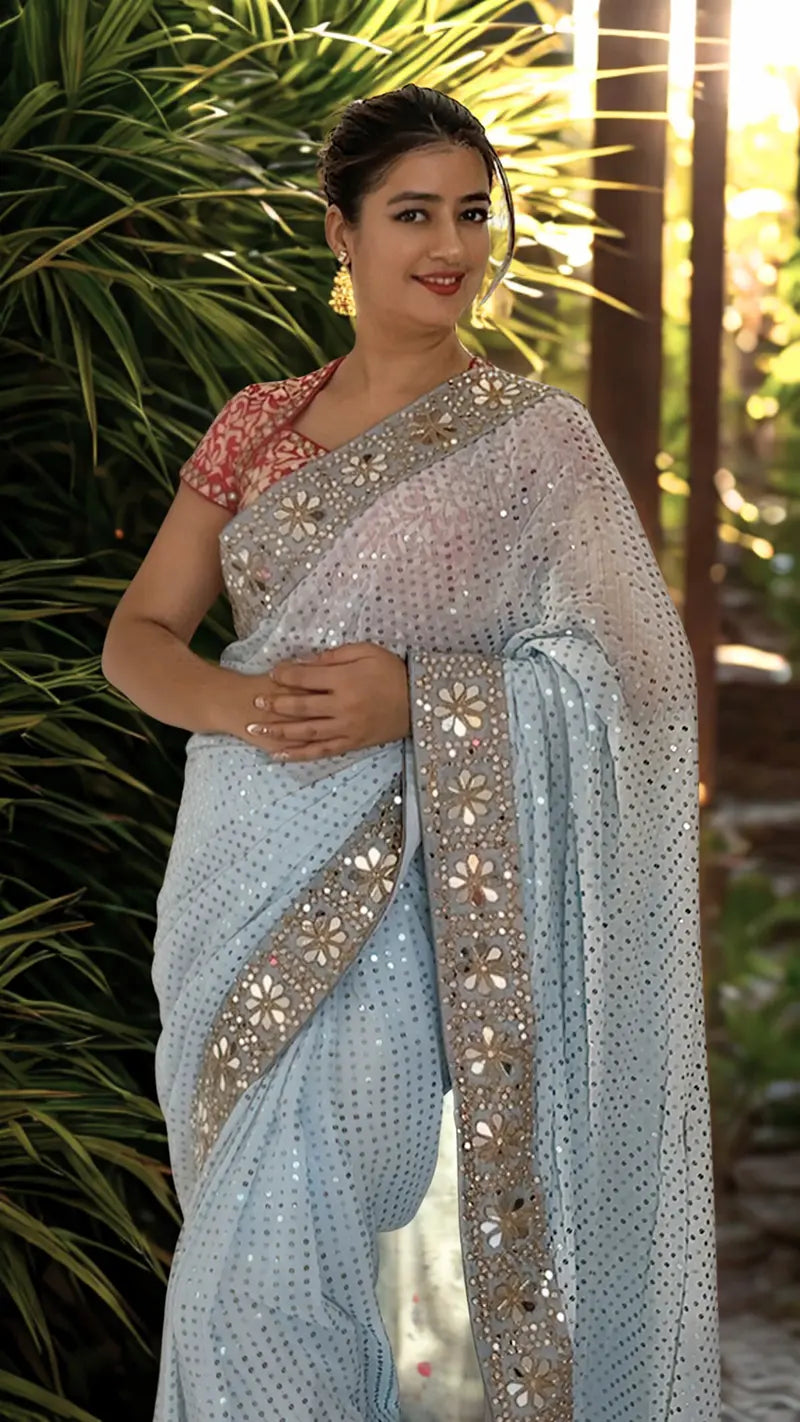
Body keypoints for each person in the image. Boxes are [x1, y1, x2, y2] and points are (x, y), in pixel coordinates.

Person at [102, 83, 721, 1422]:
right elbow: (140, 634)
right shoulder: (254, 424)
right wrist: (239, 703)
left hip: (407, 899)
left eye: (470, 213)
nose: (449, 244)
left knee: (275, 1263)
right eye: (411, 213)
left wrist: (420, 695)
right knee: (244, 1259)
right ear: (341, 231)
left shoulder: (533, 439)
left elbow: (643, 687)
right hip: (233, 873)